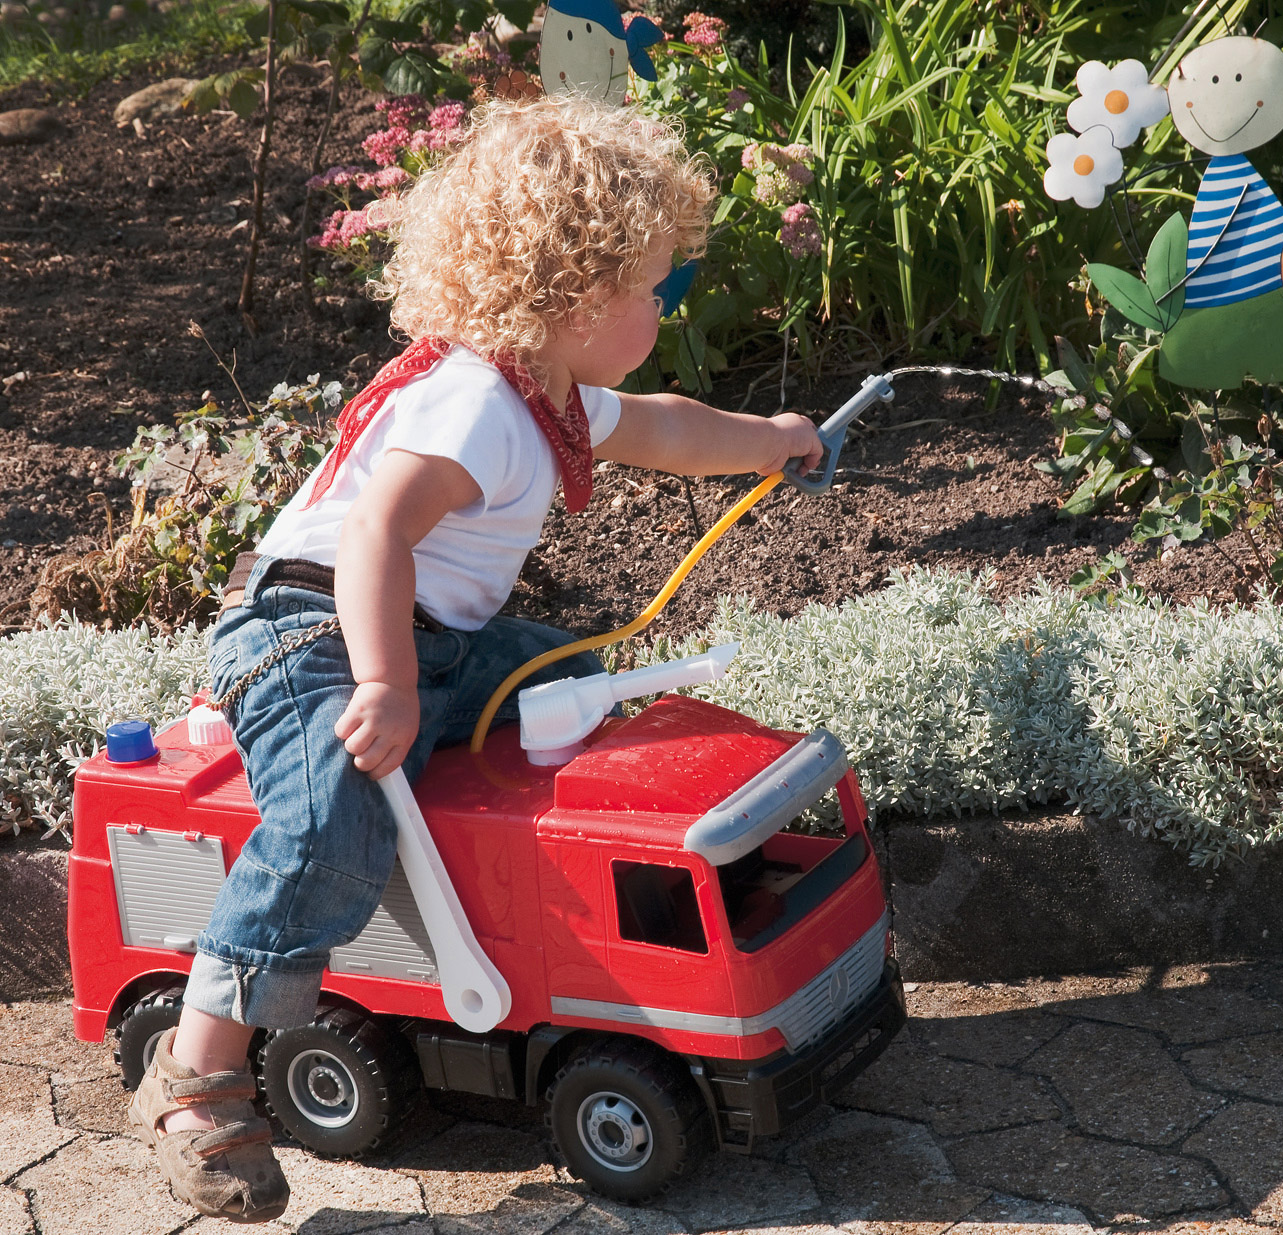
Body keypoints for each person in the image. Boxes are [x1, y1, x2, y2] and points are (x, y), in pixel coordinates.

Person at [127, 95, 822, 1223]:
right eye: (652, 288)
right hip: (310, 635)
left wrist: (773, 441)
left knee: (580, 688)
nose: (662, 303)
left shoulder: (545, 389)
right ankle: (198, 1070)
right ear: (581, 298)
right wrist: (387, 681)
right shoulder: (478, 407)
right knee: (328, 818)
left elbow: (661, 424)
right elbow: (372, 533)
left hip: (432, 634)